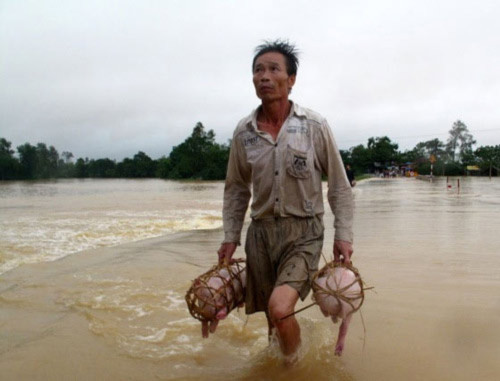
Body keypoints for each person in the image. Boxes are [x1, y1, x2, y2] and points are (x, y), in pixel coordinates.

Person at [217, 40, 354, 364]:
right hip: (261, 234)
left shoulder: (314, 126)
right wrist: (230, 236)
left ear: (291, 80)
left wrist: (344, 234)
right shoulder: (244, 133)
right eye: (257, 70)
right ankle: (278, 364)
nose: (263, 76)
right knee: (272, 317)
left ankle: (292, 369)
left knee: (280, 308)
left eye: (273, 69)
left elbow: (339, 185)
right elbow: (236, 189)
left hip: (304, 232)